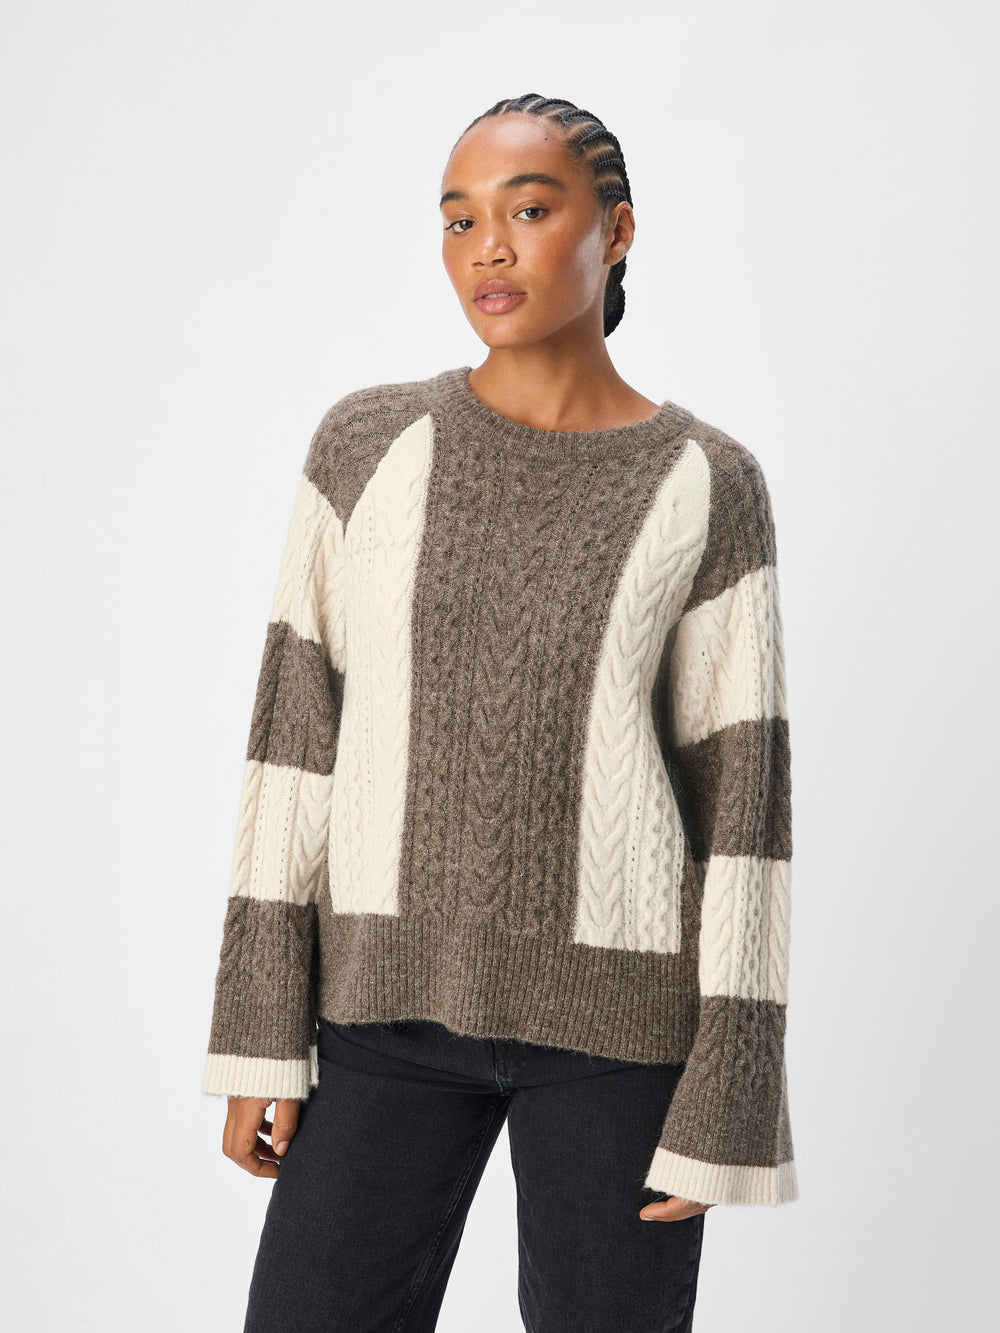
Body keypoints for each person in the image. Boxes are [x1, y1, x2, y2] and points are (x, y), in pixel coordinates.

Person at [201, 92, 798, 1332]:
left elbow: (743, 809)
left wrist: (727, 1089)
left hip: (620, 1041)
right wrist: (260, 1028)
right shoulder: (365, 445)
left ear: (615, 229)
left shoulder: (706, 481)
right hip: (382, 1009)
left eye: (528, 210)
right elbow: (293, 745)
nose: (488, 248)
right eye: (458, 218)